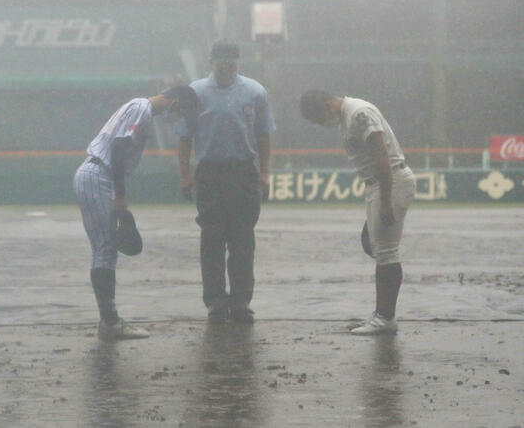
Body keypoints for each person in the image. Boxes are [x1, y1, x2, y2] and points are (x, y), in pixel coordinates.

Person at [75, 85, 200, 341]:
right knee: (105, 249)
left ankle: (109, 321)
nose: (177, 118)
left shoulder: (139, 108)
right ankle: (110, 323)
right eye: (181, 112)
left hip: (97, 174)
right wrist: (121, 196)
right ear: (175, 102)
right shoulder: (141, 109)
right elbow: (120, 147)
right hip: (99, 175)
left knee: (105, 248)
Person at [299, 89, 415, 335]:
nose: (322, 125)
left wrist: (385, 200)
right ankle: (383, 310)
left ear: (326, 104)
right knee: (371, 243)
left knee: (386, 252)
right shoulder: (347, 117)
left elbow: (382, 155)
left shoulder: (359, 114)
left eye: (319, 118)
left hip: (389, 181)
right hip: (379, 184)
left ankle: (385, 318)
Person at [176, 41, 275, 324]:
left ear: (238, 63)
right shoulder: (195, 93)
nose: (226, 68)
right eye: (221, 63)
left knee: (243, 239)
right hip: (209, 174)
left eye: (231, 63)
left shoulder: (255, 92)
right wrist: (185, 174)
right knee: (212, 240)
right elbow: (184, 136)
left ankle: (241, 301)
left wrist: (265, 172)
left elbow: (264, 135)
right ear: (211, 62)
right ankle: (216, 302)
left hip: (243, 173)